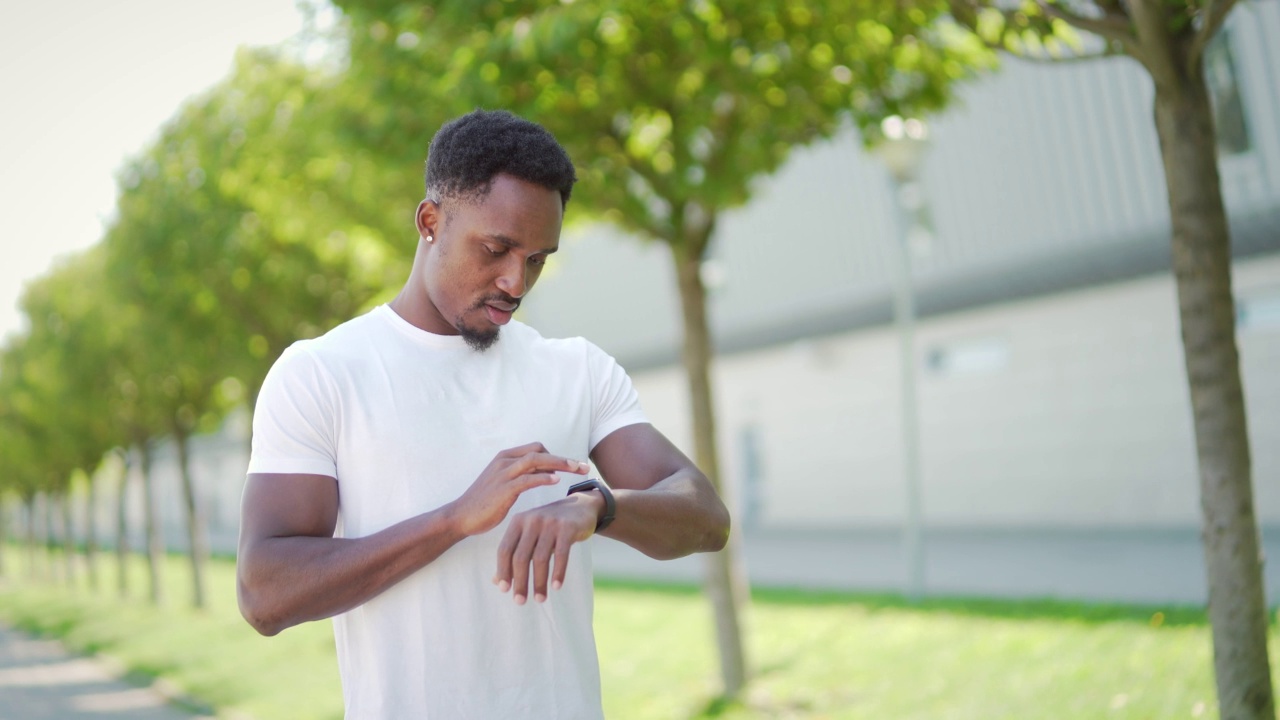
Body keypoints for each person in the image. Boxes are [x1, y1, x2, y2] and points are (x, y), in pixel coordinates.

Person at [236, 109, 730, 718]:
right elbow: (264, 593)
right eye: (496, 249)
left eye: (537, 259)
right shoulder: (323, 373)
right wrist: (453, 521)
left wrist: (598, 506)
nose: (515, 282)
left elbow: (706, 517)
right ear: (430, 221)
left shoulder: (577, 369)